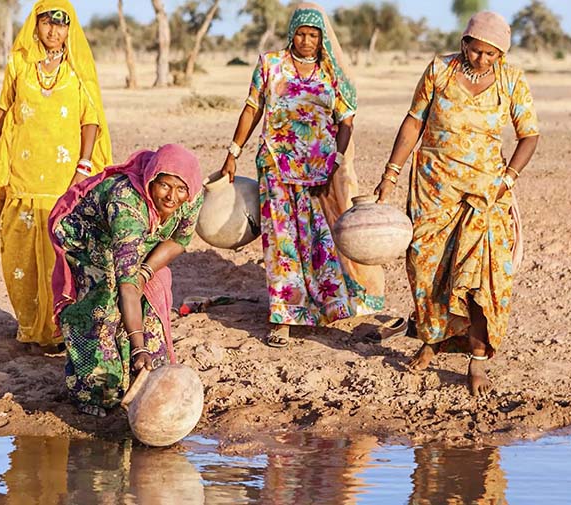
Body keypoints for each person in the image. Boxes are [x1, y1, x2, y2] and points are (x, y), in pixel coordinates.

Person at [375, 11, 540, 395]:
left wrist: (508, 178)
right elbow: (414, 121)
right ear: (464, 42)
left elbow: (529, 135)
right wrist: (390, 175)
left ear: (502, 54)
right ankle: (431, 342)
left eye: (491, 54)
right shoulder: (439, 70)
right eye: (475, 49)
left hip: (486, 195)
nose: (481, 59)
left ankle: (477, 360)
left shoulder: (512, 81)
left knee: (483, 277)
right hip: (433, 189)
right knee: (427, 269)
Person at [220, 2, 384, 348]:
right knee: (281, 241)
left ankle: (326, 306)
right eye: (301, 33)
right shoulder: (271, 64)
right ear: (291, 33)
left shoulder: (330, 73)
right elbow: (253, 107)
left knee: (318, 241)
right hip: (276, 165)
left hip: (319, 171)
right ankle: (284, 316)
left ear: (321, 38)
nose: (307, 41)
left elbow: (347, 121)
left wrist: (336, 160)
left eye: (313, 35)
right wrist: (233, 152)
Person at [0, 0, 112, 348]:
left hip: (63, 178)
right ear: (35, 25)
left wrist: (83, 166)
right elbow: (3, 111)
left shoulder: (78, 68)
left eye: (61, 25)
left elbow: (90, 118)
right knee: (18, 253)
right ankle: (29, 325)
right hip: (23, 173)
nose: (53, 30)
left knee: (60, 255)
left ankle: (58, 330)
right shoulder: (19, 63)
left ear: (70, 30)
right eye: (47, 23)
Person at [49, 145, 204, 417]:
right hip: (89, 240)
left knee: (151, 308)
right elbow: (127, 286)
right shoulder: (126, 205)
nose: (172, 196)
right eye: (164, 186)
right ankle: (93, 392)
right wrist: (138, 345)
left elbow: (179, 240)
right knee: (99, 308)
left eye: (180, 189)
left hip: (137, 242)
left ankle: (141, 378)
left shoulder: (192, 196)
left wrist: (146, 270)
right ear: (151, 180)